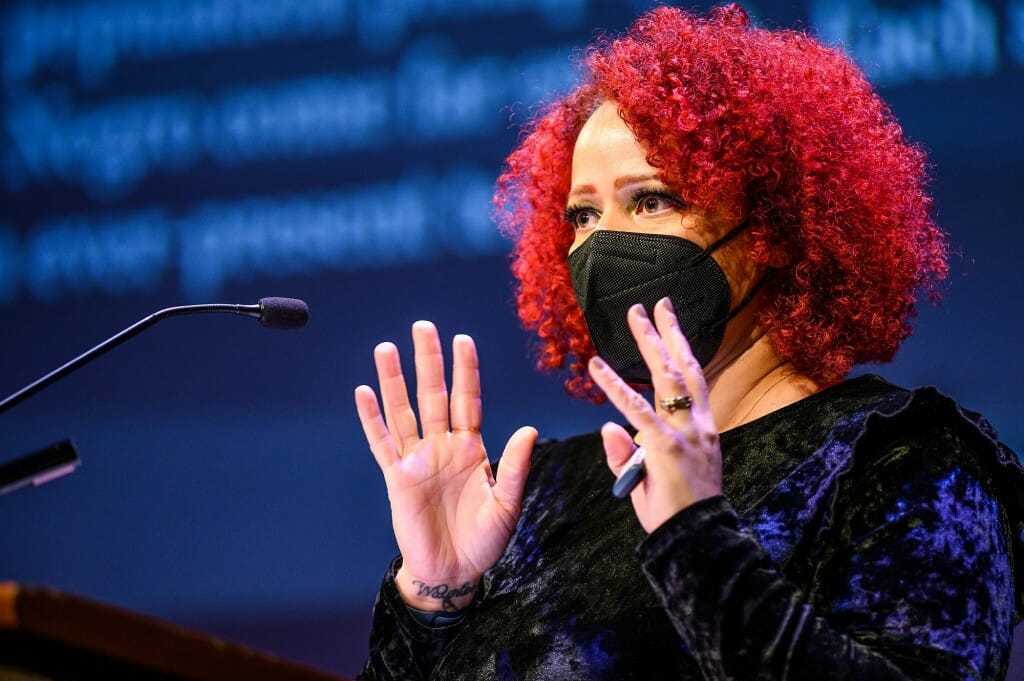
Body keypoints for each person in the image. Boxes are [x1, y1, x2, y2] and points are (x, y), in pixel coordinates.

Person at [353, 5, 1024, 679]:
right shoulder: (542, 491)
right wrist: (434, 598)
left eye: (651, 200)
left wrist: (694, 537)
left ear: (776, 227)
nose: (602, 245)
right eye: (582, 214)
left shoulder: (903, 456)